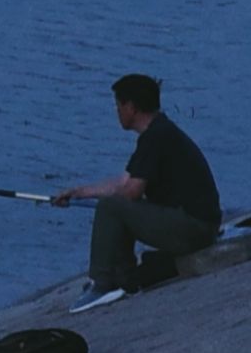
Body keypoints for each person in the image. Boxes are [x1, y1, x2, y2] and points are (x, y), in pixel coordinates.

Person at [67, 75, 226, 296]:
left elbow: (131, 192)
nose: (117, 112)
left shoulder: (155, 137)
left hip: (195, 229)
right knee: (116, 206)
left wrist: (113, 206)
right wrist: (78, 193)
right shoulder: (159, 131)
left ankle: (102, 283)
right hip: (202, 226)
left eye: (118, 106)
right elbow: (124, 182)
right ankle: (125, 279)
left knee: (110, 207)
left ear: (131, 108)